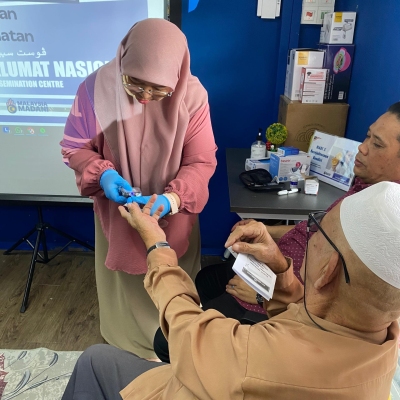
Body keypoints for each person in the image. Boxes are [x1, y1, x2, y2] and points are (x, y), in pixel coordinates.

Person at [62, 182, 400, 399]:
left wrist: (156, 245)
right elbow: (313, 319)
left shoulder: (258, 357)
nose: (309, 234)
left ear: (328, 271)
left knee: (95, 360)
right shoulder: (383, 335)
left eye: (318, 228)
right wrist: (279, 268)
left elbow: (187, 330)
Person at [60, 18, 217, 359]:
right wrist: (103, 174)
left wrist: (173, 198)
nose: (145, 98)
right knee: (125, 294)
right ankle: (125, 345)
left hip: (174, 214)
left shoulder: (192, 96)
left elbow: (201, 161)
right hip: (118, 215)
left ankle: (175, 343)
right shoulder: (94, 89)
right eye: (134, 84)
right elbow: (74, 146)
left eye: (159, 90)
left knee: (174, 280)